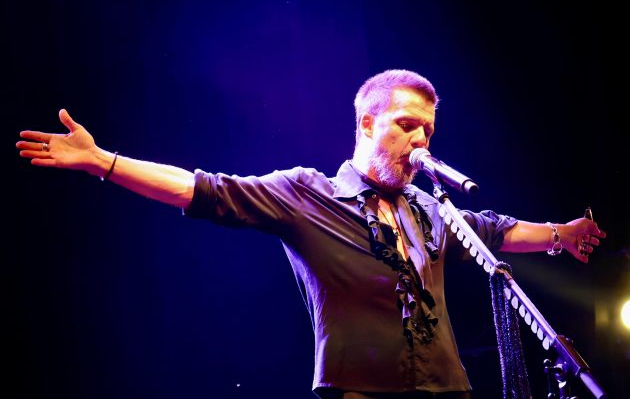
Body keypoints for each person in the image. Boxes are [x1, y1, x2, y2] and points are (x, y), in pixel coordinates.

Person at [16, 69, 605, 398]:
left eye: (428, 130)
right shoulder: (307, 193)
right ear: (367, 124)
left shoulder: (429, 208)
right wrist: (103, 161)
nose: (421, 140)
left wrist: (562, 233)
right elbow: (201, 189)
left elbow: (496, 232)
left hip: (448, 389)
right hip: (358, 391)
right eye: (407, 126)